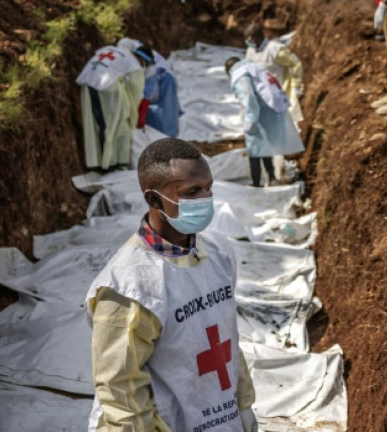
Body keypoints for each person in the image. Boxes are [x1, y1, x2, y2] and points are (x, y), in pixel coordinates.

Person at [85, 138, 259, 432]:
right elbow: (121, 390)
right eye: (192, 192)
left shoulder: (218, 251)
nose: (206, 198)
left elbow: (228, 344)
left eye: (208, 188)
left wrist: (243, 406)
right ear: (153, 200)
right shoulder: (129, 287)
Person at [226, 58, 305, 188]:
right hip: (272, 108)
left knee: (255, 147)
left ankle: (257, 183)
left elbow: (249, 98)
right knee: (266, 145)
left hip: (259, 111)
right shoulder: (254, 66)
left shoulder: (239, 73)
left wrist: (250, 120)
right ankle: (272, 177)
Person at [77, 44, 151, 171]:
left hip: (87, 81)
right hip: (108, 90)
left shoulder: (113, 50)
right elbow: (135, 92)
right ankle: (108, 164)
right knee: (110, 126)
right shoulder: (134, 64)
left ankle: (102, 161)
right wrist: (133, 116)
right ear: (142, 59)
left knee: (96, 124)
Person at [244, 24, 304, 125]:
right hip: (262, 97)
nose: (248, 43)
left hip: (279, 95)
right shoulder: (250, 52)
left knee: (284, 126)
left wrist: (296, 86)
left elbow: (294, 64)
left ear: (258, 37)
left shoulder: (275, 49)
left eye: (250, 39)